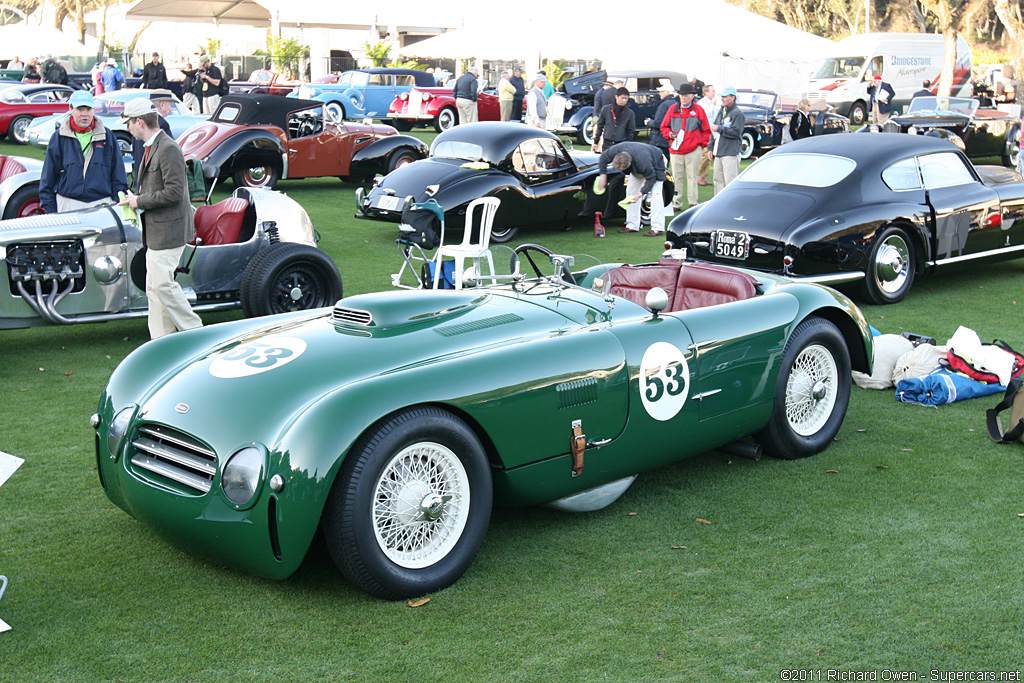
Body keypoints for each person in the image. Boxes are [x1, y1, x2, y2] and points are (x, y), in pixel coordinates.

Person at [119, 98, 203, 339]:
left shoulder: (167, 148)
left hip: (170, 231)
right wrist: (138, 197)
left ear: (139, 122)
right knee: (154, 288)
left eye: (128, 124)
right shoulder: (154, 146)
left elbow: (175, 192)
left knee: (163, 286)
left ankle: (196, 333)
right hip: (158, 231)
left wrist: (140, 201)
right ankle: (161, 340)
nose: (128, 129)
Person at [39, 90, 128, 214]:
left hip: (102, 204)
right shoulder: (58, 137)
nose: (85, 114)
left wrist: (117, 202)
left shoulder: (108, 136)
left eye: (88, 109)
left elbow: (118, 174)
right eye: (80, 109)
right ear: (70, 109)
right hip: (67, 204)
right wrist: (50, 210)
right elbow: (47, 178)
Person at [596, 141, 667, 236]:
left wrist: (641, 193)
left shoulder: (643, 163)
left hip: (657, 162)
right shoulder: (615, 150)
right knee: (630, 192)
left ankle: (658, 228)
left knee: (656, 194)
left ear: (629, 164)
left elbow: (651, 178)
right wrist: (603, 176)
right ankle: (632, 225)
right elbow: (603, 158)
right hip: (640, 162)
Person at [661, 83, 710, 213]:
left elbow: (706, 130)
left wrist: (701, 145)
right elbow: (664, 127)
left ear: (692, 96)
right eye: (682, 95)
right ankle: (676, 202)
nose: (684, 98)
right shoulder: (673, 109)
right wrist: (670, 135)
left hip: (693, 150)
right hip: (676, 150)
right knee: (677, 177)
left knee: (692, 177)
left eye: (687, 95)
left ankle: (693, 203)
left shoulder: (698, 110)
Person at [129, 91, 175, 181]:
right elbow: (170, 149)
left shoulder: (140, 123)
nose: (171, 108)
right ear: (161, 105)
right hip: (154, 177)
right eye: (170, 105)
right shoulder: (162, 124)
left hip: (140, 174)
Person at [708, 86, 745, 194]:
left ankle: (730, 205)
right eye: (722, 96)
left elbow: (736, 132)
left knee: (730, 182)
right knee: (718, 181)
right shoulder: (722, 110)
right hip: (719, 151)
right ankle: (717, 204)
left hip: (730, 152)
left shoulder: (737, 113)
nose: (722, 99)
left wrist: (720, 128)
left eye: (725, 96)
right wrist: (710, 147)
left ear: (733, 98)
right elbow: (714, 131)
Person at [646, 83, 677, 163]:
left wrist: (649, 122)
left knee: (657, 163)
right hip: (670, 138)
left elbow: (658, 124)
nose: (659, 93)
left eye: (661, 91)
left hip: (659, 139)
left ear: (667, 92)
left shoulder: (664, 105)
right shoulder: (676, 104)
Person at [696, 84, 720, 186]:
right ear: (706, 92)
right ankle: (698, 176)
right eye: (712, 91)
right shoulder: (702, 103)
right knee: (705, 154)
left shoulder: (711, 102)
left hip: (713, 131)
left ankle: (703, 177)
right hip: (705, 132)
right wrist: (713, 105)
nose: (714, 93)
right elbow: (706, 116)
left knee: (709, 154)